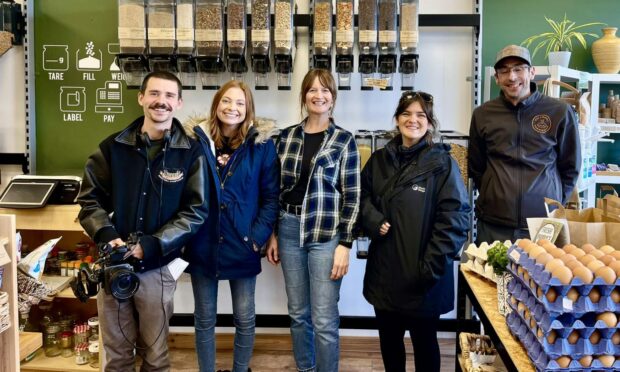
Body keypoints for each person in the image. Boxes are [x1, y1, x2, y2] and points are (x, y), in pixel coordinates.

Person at [77, 71, 210, 371]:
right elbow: (88, 199)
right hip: (114, 267)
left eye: (168, 96)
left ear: (179, 103)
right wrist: (107, 235)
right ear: (141, 98)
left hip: (157, 269)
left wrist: (150, 245)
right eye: (154, 94)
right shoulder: (112, 148)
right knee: (117, 356)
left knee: (156, 356)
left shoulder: (190, 152)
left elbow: (196, 211)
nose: (160, 102)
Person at [359, 91, 470, 372]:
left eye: (421, 115)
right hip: (385, 275)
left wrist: (428, 268)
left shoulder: (443, 164)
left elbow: (456, 219)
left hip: (424, 279)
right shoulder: (378, 161)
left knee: (425, 345)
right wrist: (372, 219)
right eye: (407, 114)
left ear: (430, 124)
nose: (413, 120)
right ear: (396, 120)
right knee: (390, 345)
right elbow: (360, 198)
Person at [266, 69, 361, 372]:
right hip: (289, 229)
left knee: (323, 317)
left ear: (333, 98)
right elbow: (273, 190)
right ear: (304, 96)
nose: (318, 96)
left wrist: (345, 243)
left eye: (325, 90)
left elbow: (353, 196)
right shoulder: (285, 137)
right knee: (297, 312)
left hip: (325, 235)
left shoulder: (344, 140)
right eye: (312, 90)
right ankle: (305, 368)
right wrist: (273, 234)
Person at [183, 80, 280, 372]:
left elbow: (271, 198)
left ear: (248, 110)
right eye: (226, 101)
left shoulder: (261, 146)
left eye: (240, 103)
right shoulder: (195, 143)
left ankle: (241, 369)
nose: (232, 108)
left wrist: (257, 237)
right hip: (203, 243)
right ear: (216, 105)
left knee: (245, 318)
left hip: (243, 242)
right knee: (204, 319)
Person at [468, 44, 581, 243]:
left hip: (543, 224)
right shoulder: (483, 114)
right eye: (504, 71)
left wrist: (552, 202)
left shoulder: (559, 112)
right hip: (495, 224)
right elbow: (476, 167)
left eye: (518, 69)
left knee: (542, 274)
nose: (511, 77)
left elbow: (570, 166)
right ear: (497, 78)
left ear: (532, 72)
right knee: (490, 274)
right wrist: (493, 193)